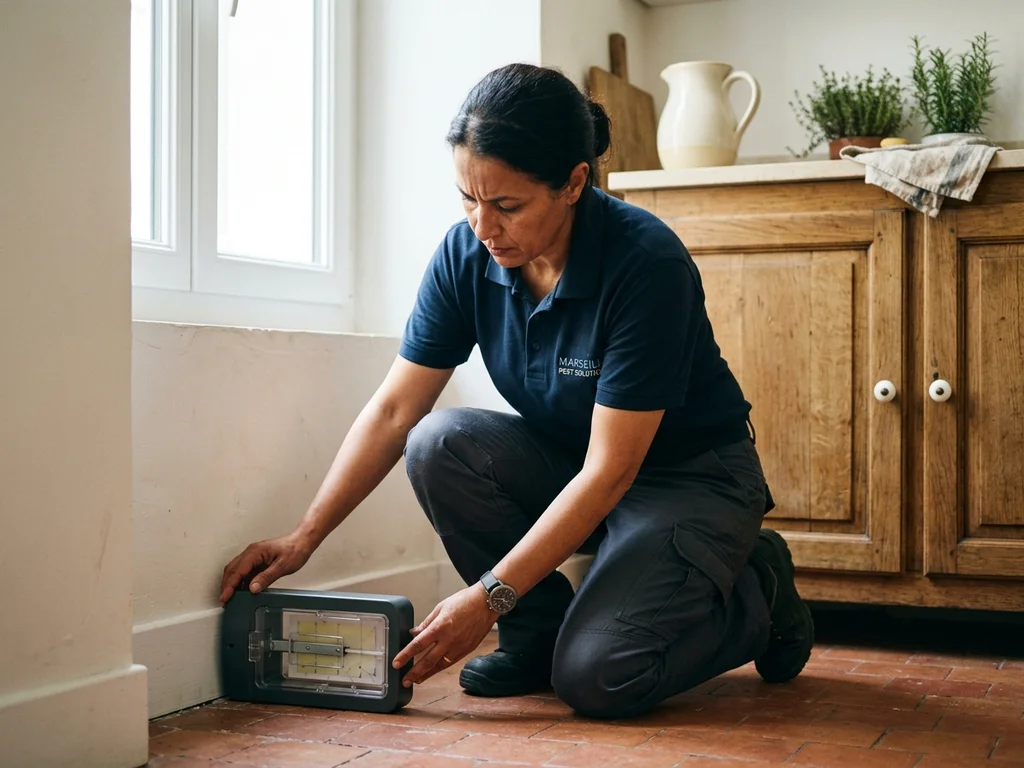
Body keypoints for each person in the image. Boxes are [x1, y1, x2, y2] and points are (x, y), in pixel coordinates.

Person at [219, 62, 814, 720]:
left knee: (598, 678)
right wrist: (305, 537)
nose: (482, 225)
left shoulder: (647, 264)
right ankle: (535, 639)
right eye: (467, 199)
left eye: (506, 205)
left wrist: (487, 597)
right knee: (438, 442)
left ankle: (760, 586)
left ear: (574, 183)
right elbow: (395, 412)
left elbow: (612, 470)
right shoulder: (466, 255)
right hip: (575, 463)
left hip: (687, 479)